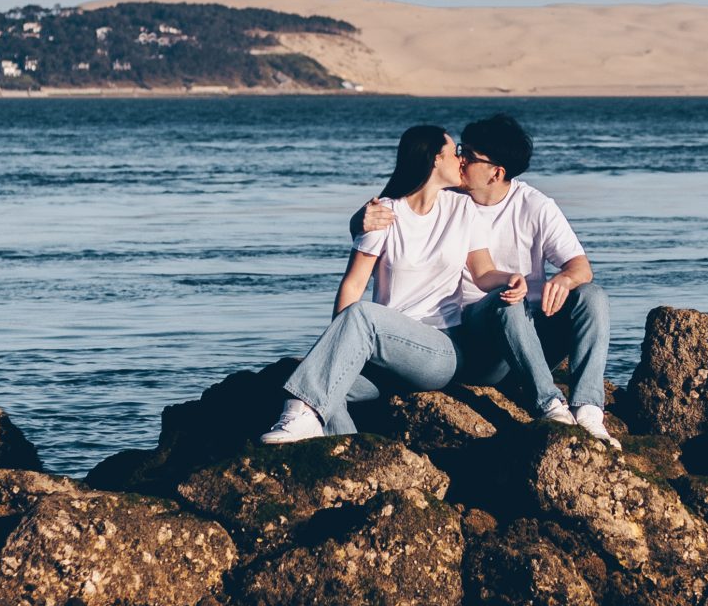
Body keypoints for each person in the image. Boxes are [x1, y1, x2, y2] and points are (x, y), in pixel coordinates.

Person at [362, 111, 619, 447]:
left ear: (497, 172)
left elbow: (581, 267)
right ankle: (550, 407)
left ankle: (588, 410)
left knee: (593, 295)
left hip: (533, 338)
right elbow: (396, 203)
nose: (459, 160)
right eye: (460, 151)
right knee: (505, 301)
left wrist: (565, 280)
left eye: (468, 155)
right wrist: (360, 219)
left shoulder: (535, 206)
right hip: (477, 337)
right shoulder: (448, 199)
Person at [261, 125, 512, 442]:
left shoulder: (463, 209)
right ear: (434, 160)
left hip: (441, 350)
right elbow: (353, 285)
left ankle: (298, 409)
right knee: (320, 382)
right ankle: (345, 456)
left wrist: (511, 281)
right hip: (386, 356)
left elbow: (483, 273)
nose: (461, 160)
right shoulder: (381, 215)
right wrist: (338, 347)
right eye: (454, 153)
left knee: (358, 323)